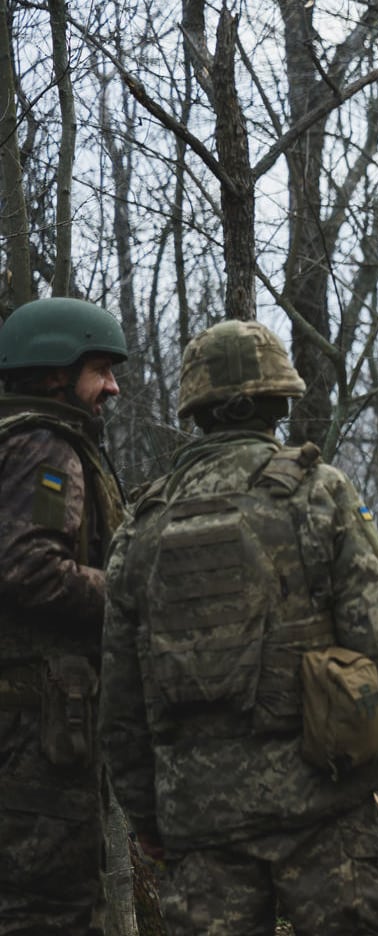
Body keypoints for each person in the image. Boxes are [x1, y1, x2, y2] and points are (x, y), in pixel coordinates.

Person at [100, 319, 378, 935]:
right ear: (279, 400)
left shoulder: (143, 524)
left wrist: (145, 814)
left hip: (199, 815)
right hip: (322, 798)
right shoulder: (317, 492)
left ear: (197, 409)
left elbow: (120, 690)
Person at [0, 297, 128, 935]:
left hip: (29, 728)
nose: (112, 386)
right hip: (31, 733)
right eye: (100, 370)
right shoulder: (43, 447)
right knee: (49, 915)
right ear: (55, 371)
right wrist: (131, 594)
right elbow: (31, 569)